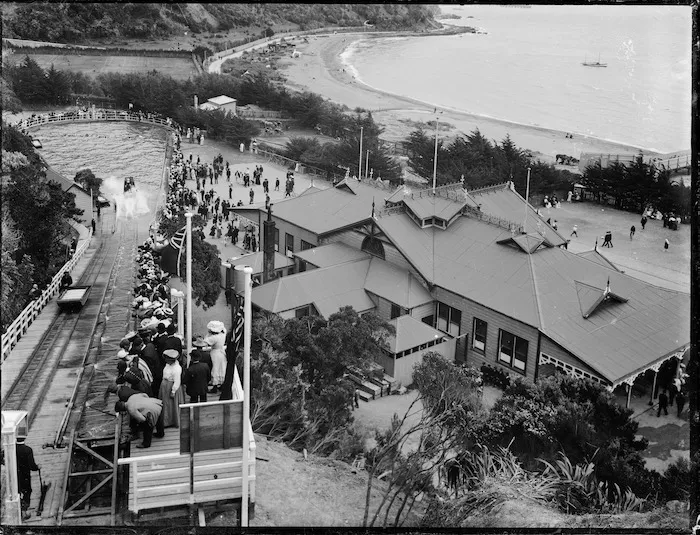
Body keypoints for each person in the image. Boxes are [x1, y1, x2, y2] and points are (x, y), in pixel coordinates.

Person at [16, 436, 40, 520]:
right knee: (27, 491)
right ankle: (24, 511)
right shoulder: (28, 450)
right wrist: (37, 467)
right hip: (25, 475)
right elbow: (32, 466)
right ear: (24, 438)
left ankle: (19, 509)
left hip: (15, 476)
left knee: (17, 491)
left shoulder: (11, 449)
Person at [160, 349, 185, 428]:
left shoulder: (177, 368)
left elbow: (177, 381)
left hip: (171, 386)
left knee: (170, 405)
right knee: (165, 404)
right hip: (165, 386)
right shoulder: (168, 365)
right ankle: (165, 420)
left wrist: (173, 391)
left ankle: (171, 421)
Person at [203, 321, 227, 394]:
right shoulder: (223, 334)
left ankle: (215, 387)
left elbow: (204, 342)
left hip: (215, 353)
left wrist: (208, 334)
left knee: (215, 369)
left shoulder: (213, 338)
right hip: (222, 352)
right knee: (222, 368)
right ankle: (222, 384)